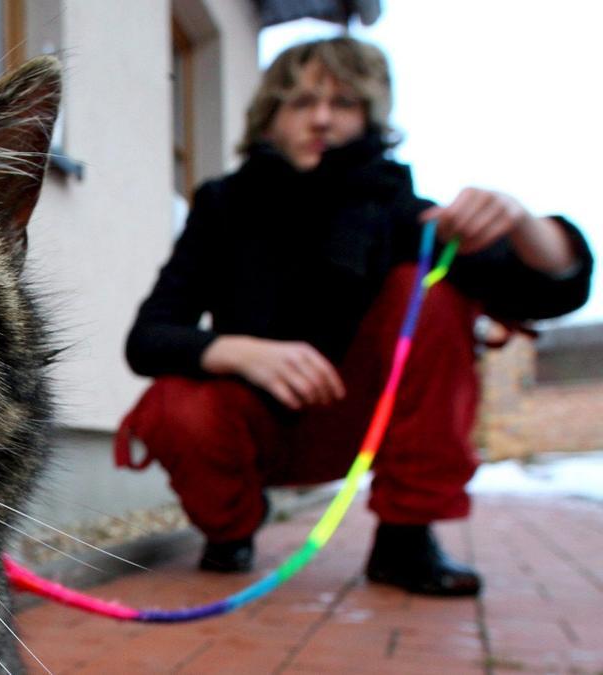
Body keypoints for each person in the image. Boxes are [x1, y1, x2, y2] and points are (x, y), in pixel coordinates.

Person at [116, 37, 592, 596]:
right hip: (255, 424)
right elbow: (148, 337)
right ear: (270, 117)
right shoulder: (223, 205)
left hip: (364, 421)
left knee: (432, 294)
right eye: (300, 102)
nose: (321, 118)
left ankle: (405, 538)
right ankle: (231, 527)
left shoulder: (399, 209)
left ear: (368, 117)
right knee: (176, 404)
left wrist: (521, 221)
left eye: (342, 103)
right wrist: (245, 351)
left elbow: (544, 291)